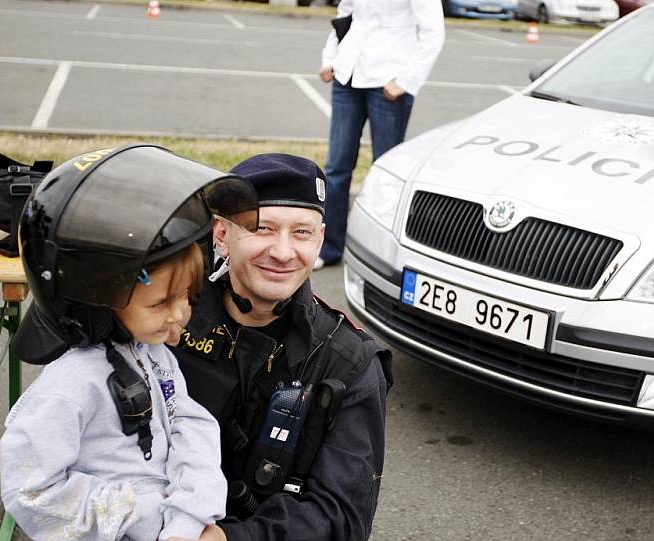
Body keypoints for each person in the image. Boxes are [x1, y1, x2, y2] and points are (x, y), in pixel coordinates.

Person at [0, 145, 258, 540]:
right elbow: (32, 490)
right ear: (94, 299)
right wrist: (148, 514)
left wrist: (192, 509)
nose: (178, 317)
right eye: (160, 303)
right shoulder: (70, 387)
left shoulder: (149, 351)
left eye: (186, 298)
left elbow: (186, 420)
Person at [169, 153, 393, 541]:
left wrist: (229, 539)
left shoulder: (349, 363)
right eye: (263, 229)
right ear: (221, 233)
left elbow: (342, 517)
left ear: (320, 238)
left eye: (302, 233)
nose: (283, 252)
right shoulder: (167, 318)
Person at [317, 0, 446, 268]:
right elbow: (344, 16)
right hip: (347, 76)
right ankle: (329, 249)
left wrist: (406, 81)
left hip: (388, 83)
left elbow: (433, 33)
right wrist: (331, 59)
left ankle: (383, 252)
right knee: (336, 168)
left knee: (387, 174)